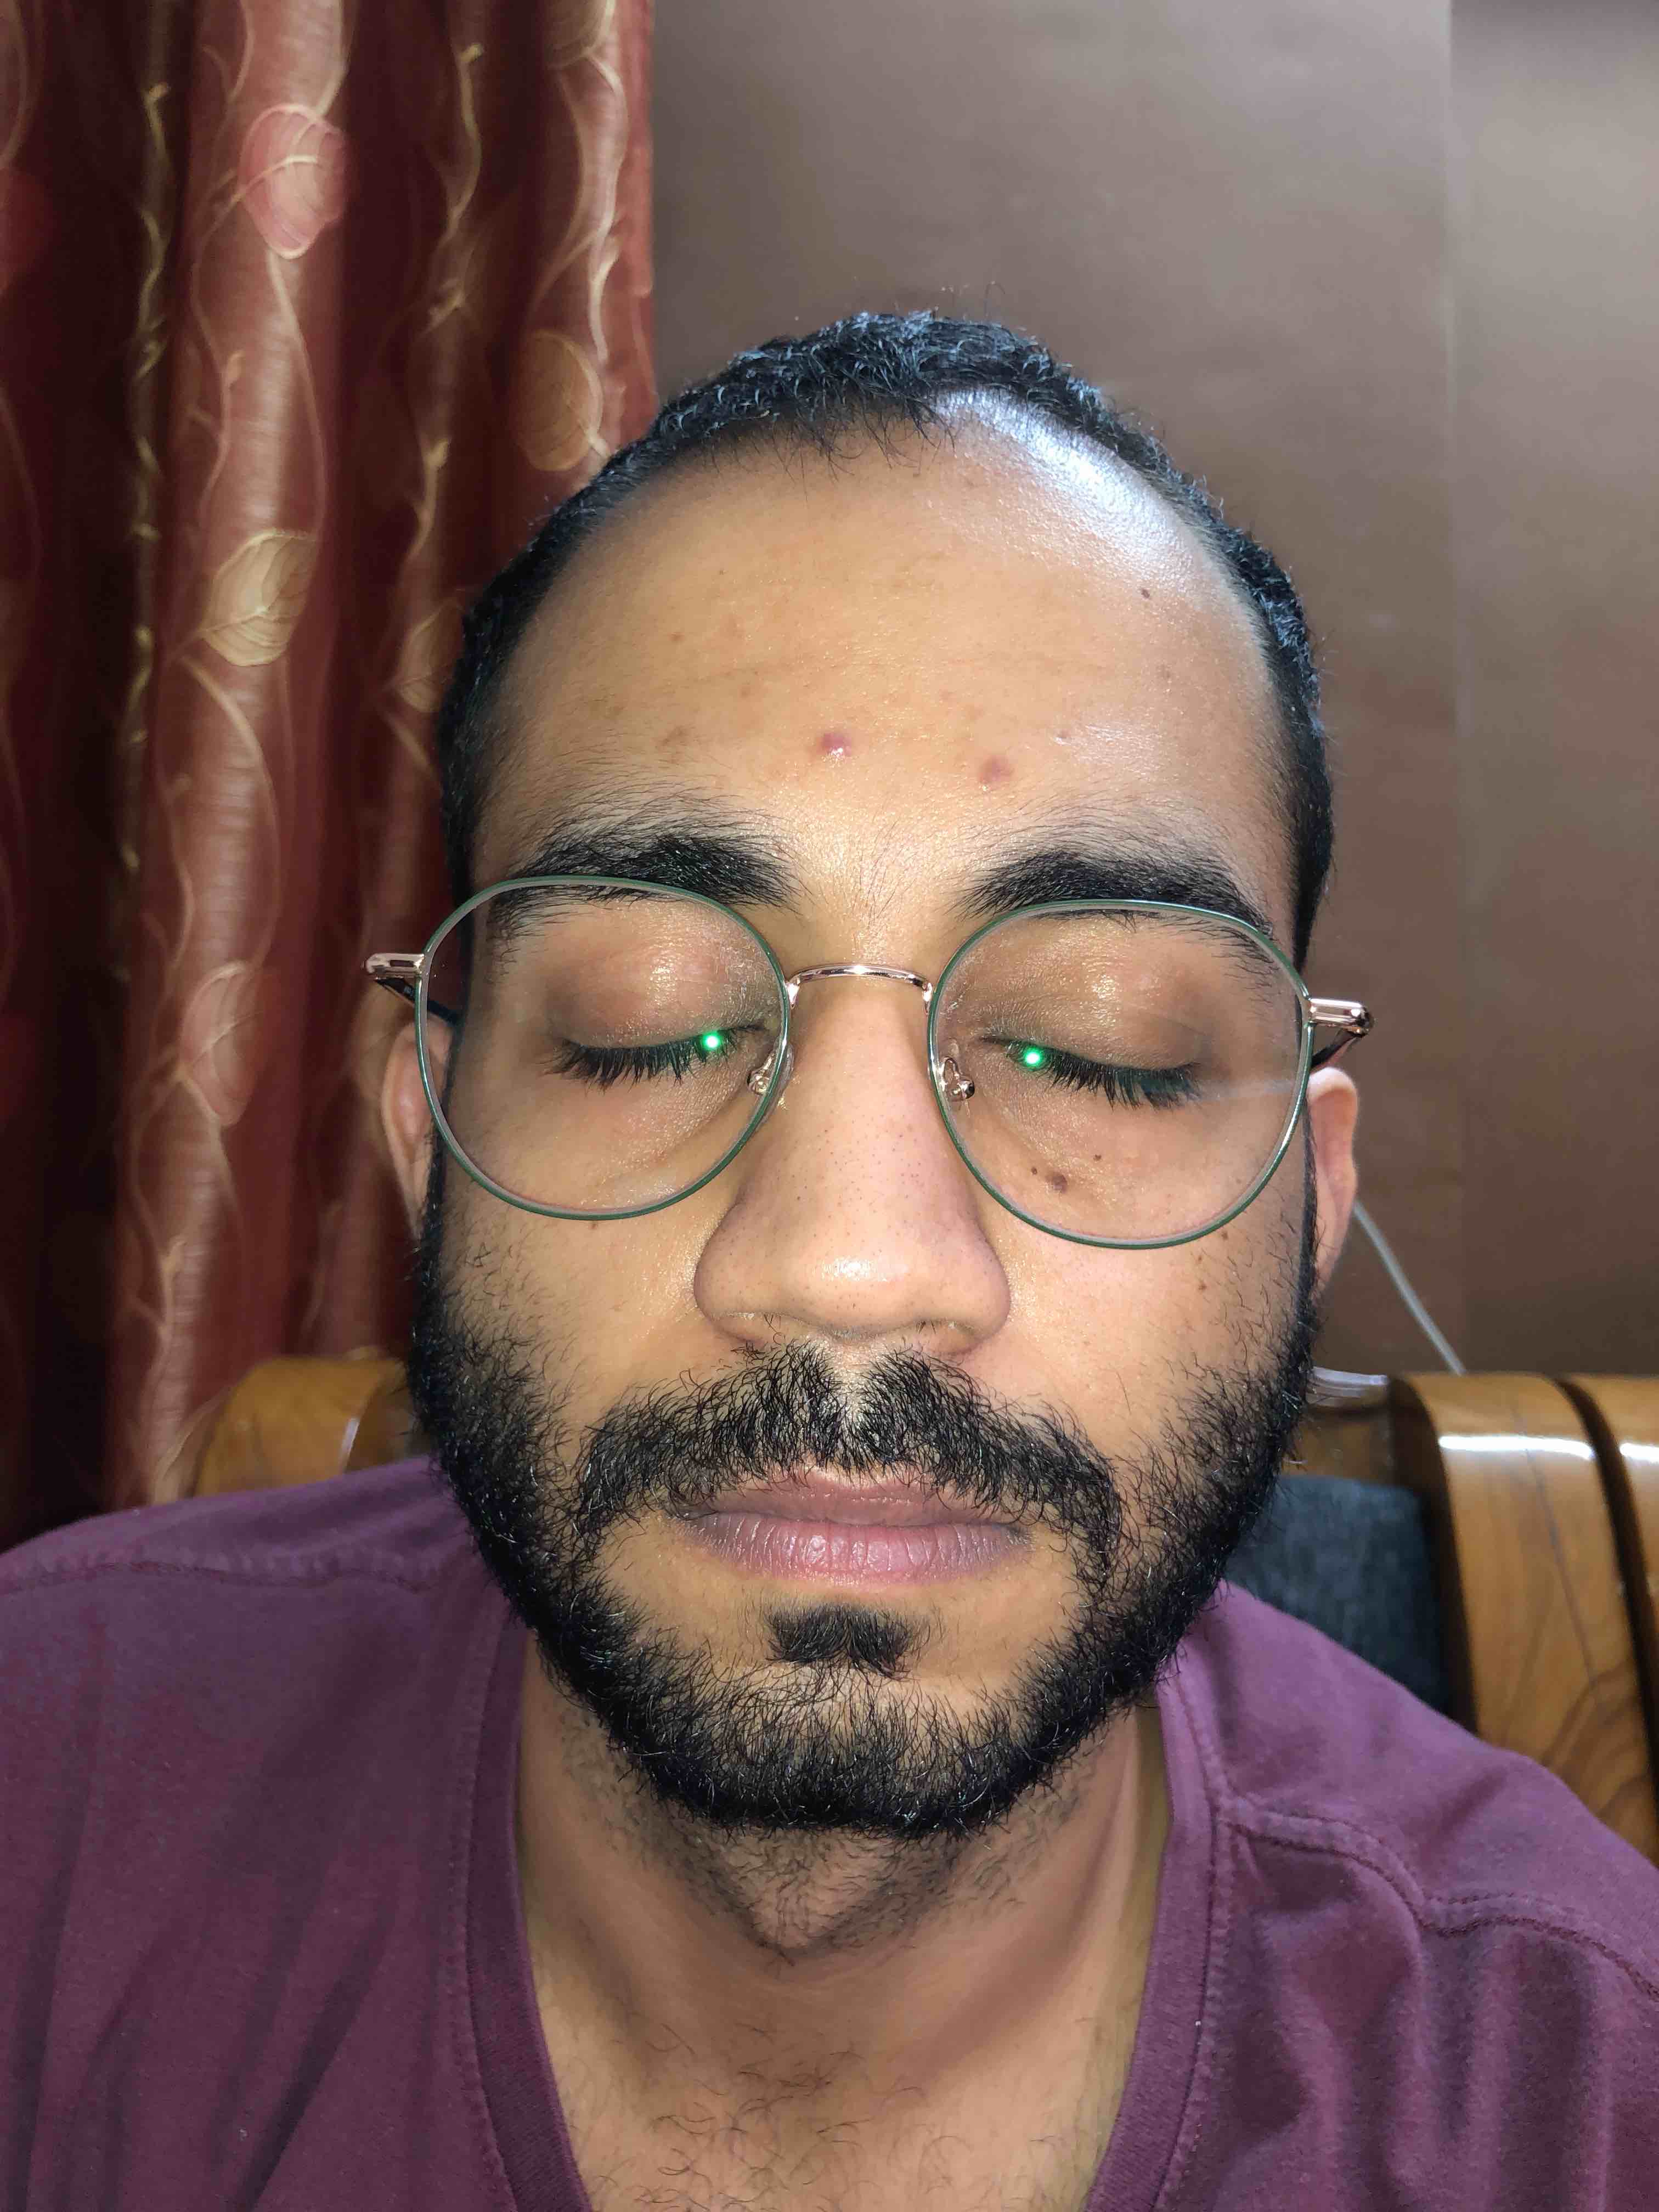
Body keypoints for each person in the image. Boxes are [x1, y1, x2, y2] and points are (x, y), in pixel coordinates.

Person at [4, 314, 1655, 2212]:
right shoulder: (42, 1807)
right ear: (426, 1138)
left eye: (1099, 1051)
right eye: (645, 1026)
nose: (853, 1262)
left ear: (1309, 1193)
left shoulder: (1584, 2104)